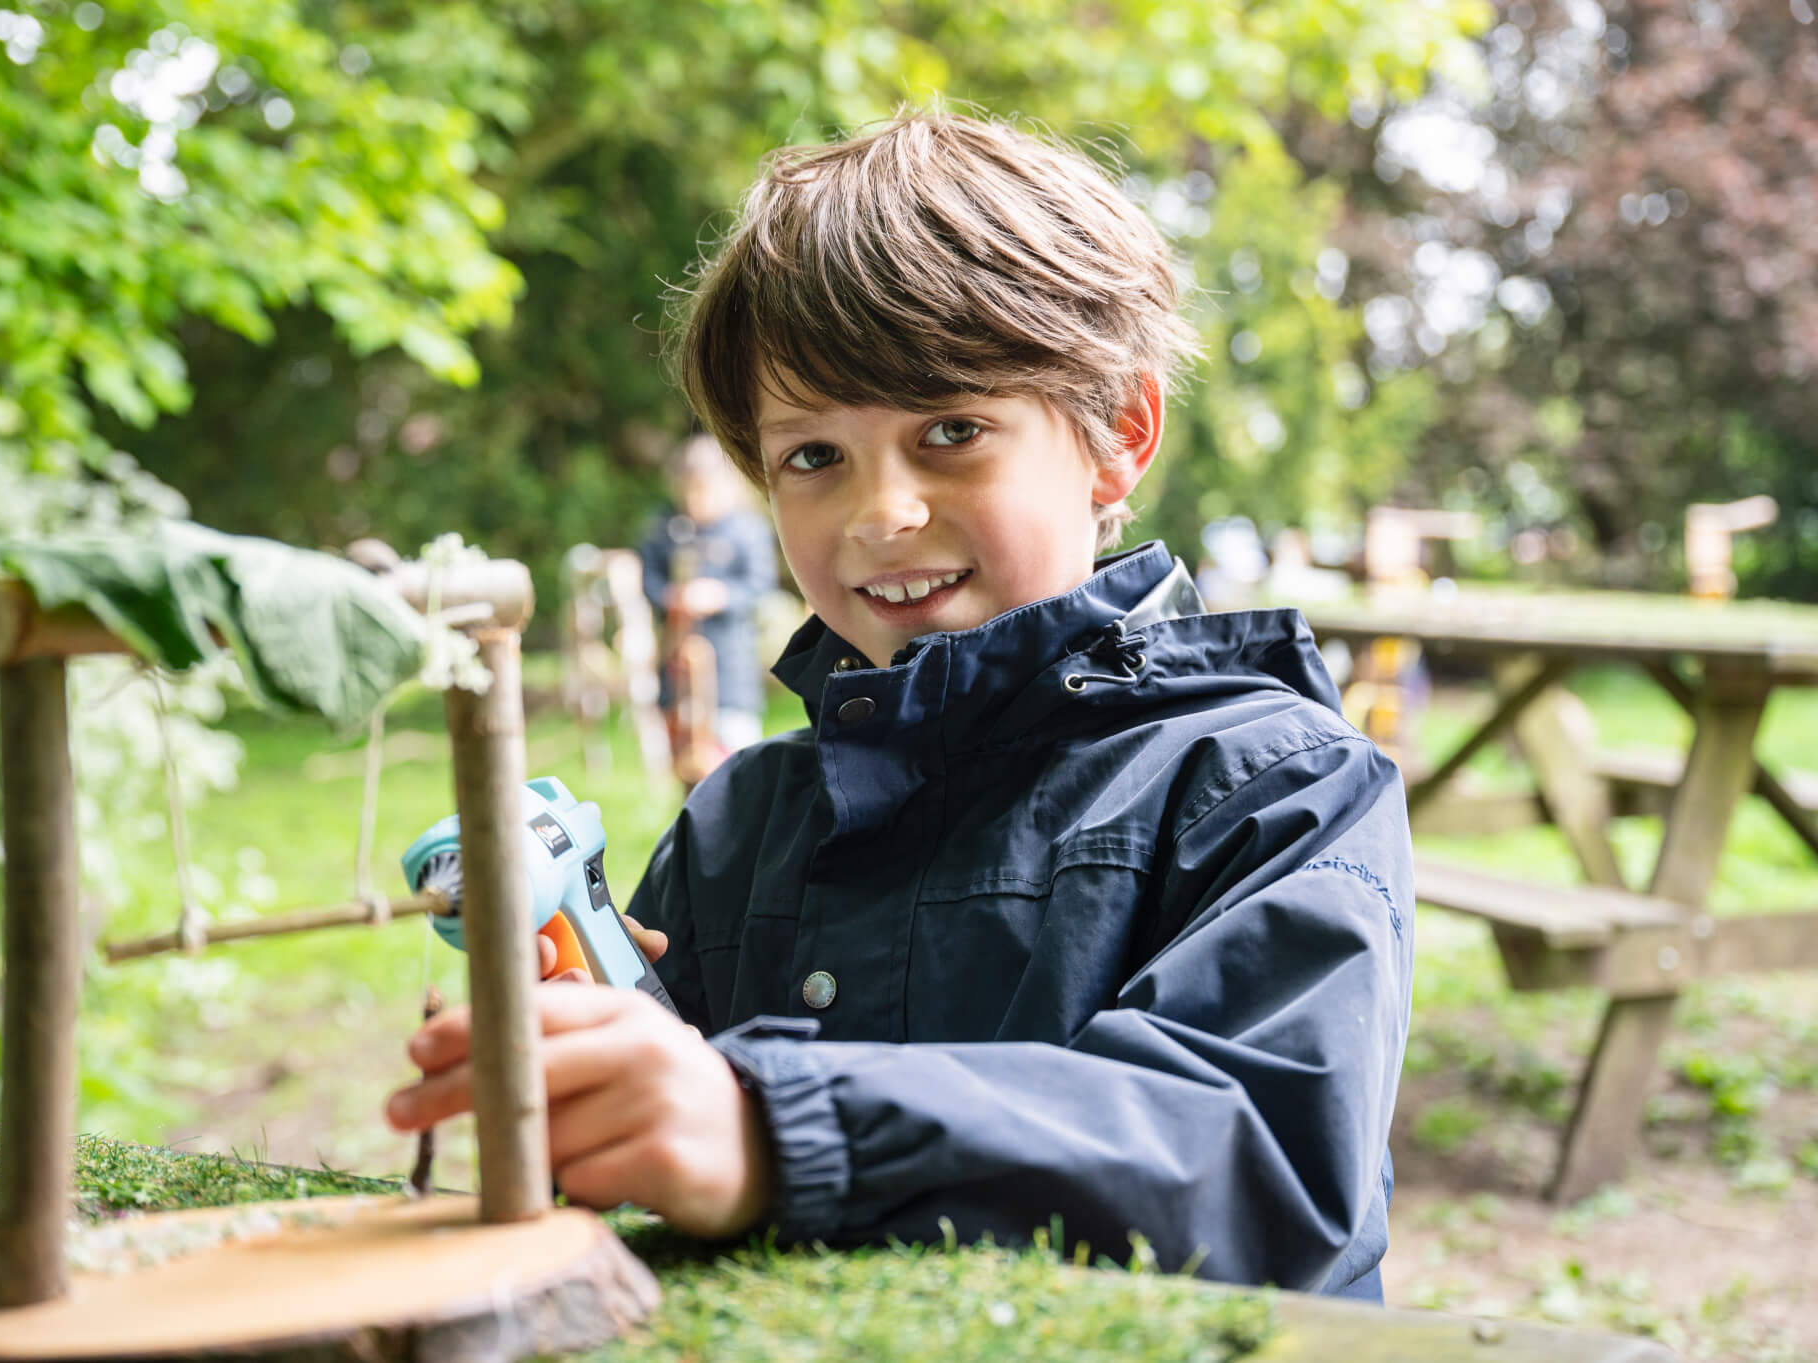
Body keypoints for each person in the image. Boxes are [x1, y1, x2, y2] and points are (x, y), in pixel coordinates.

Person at [386, 109, 1414, 1301]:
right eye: (813, 456)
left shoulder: (1279, 786)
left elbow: (1264, 1158)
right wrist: (602, 1066)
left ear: (1117, 435)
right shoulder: (738, 819)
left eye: (950, 431)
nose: (881, 514)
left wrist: (771, 1131)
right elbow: (681, 1153)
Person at [637, 433, 782, 769]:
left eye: (703, 489)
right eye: (688, 489)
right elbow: (647, 578)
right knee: (681, 752)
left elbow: (761, 585)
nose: (694, 499)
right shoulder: (665, 527)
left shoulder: (747, 529)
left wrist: (720, 596)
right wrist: (671, 596)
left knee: (733, 753)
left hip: (729, 665)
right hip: (675, 659)